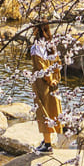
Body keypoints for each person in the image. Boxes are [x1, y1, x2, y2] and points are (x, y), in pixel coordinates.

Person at [30, 22, 62, 152]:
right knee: (52, 110)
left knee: (43, 111)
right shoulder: (51, 45)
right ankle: (46, 140)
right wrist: (55, 79)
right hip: (53, 83)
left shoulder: (36, 47)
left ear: (37, 30)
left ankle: (48, 145)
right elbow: (58, 64)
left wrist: (48, 80)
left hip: (42, 83)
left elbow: (40, 67)